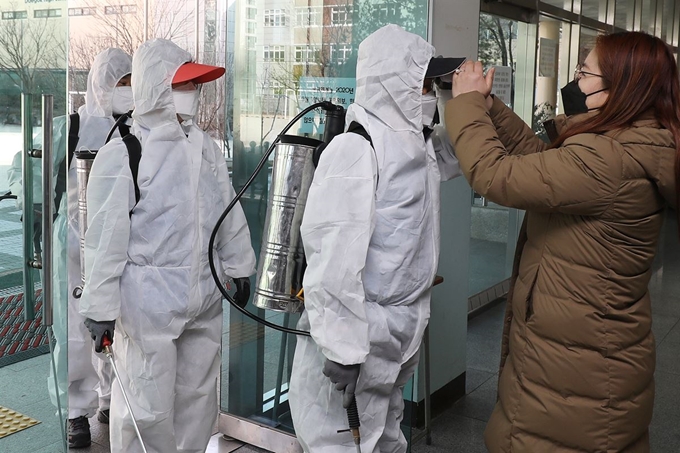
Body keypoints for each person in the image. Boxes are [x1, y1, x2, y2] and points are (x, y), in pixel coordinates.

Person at [446, 31, 679, 452]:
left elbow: (495, 175)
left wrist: (463, 103)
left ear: (621, 88)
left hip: (576, 370)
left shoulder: (609, 158)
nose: (575, 80)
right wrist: (491, 107)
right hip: (589, 350)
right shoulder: (631, 143)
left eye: (584, 72)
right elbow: (543, 162)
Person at [288, 24, 464, 453]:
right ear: (394, 83)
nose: (428, 93)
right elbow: (332, 258)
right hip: (357, 336)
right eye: (423, 82)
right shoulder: (356, 148)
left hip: (397, 332)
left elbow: (463, 150)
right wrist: (342, 348)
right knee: (342, 442)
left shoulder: (417, 145)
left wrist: (459, 100)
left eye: (431, 84)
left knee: (385, 436)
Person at [79, 38, 256, 453]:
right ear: (157, 86)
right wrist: (100, 309)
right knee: (147, 411)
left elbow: (225, 213)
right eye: (184, 84)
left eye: (194, 86)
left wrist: (239, 264)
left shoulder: (206, 148)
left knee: (197, 400)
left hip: (203, 296)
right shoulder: (124, 153)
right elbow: (104, 240)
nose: (192, 94)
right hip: (148, 307)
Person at [8, 48, 133, 449]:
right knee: (74, 333)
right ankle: (76, 411)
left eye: (132, 83)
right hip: (74, 243)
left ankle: (111, 398)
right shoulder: (72, 127)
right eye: (121, 84)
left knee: (119, 323)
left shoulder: (137, 130)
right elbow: (28, 169)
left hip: (118, 239)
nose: (127, 92)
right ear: (101, 84)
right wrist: (37, 211)